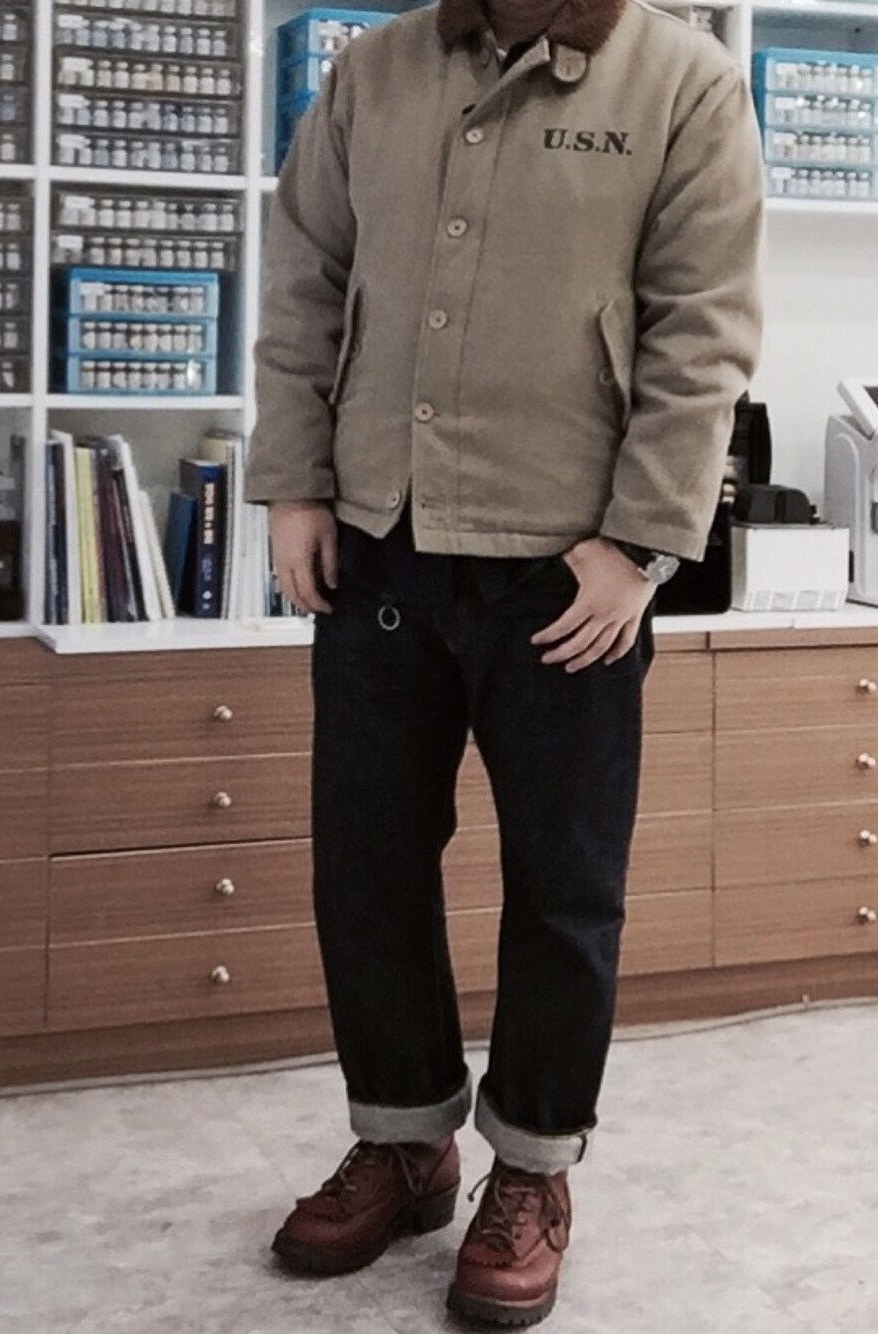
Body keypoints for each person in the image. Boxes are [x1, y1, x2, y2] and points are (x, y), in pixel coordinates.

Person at [243, 0, 763, 1324]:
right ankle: (405, 1137)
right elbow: (304, 274)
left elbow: (702, 328)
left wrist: (640, 545)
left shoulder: (686, 82)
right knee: (365, 864)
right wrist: (294, 479)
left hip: (568, 570)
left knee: (564, 889)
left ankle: (532, 1165)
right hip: (380, 544)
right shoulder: (374, 70)